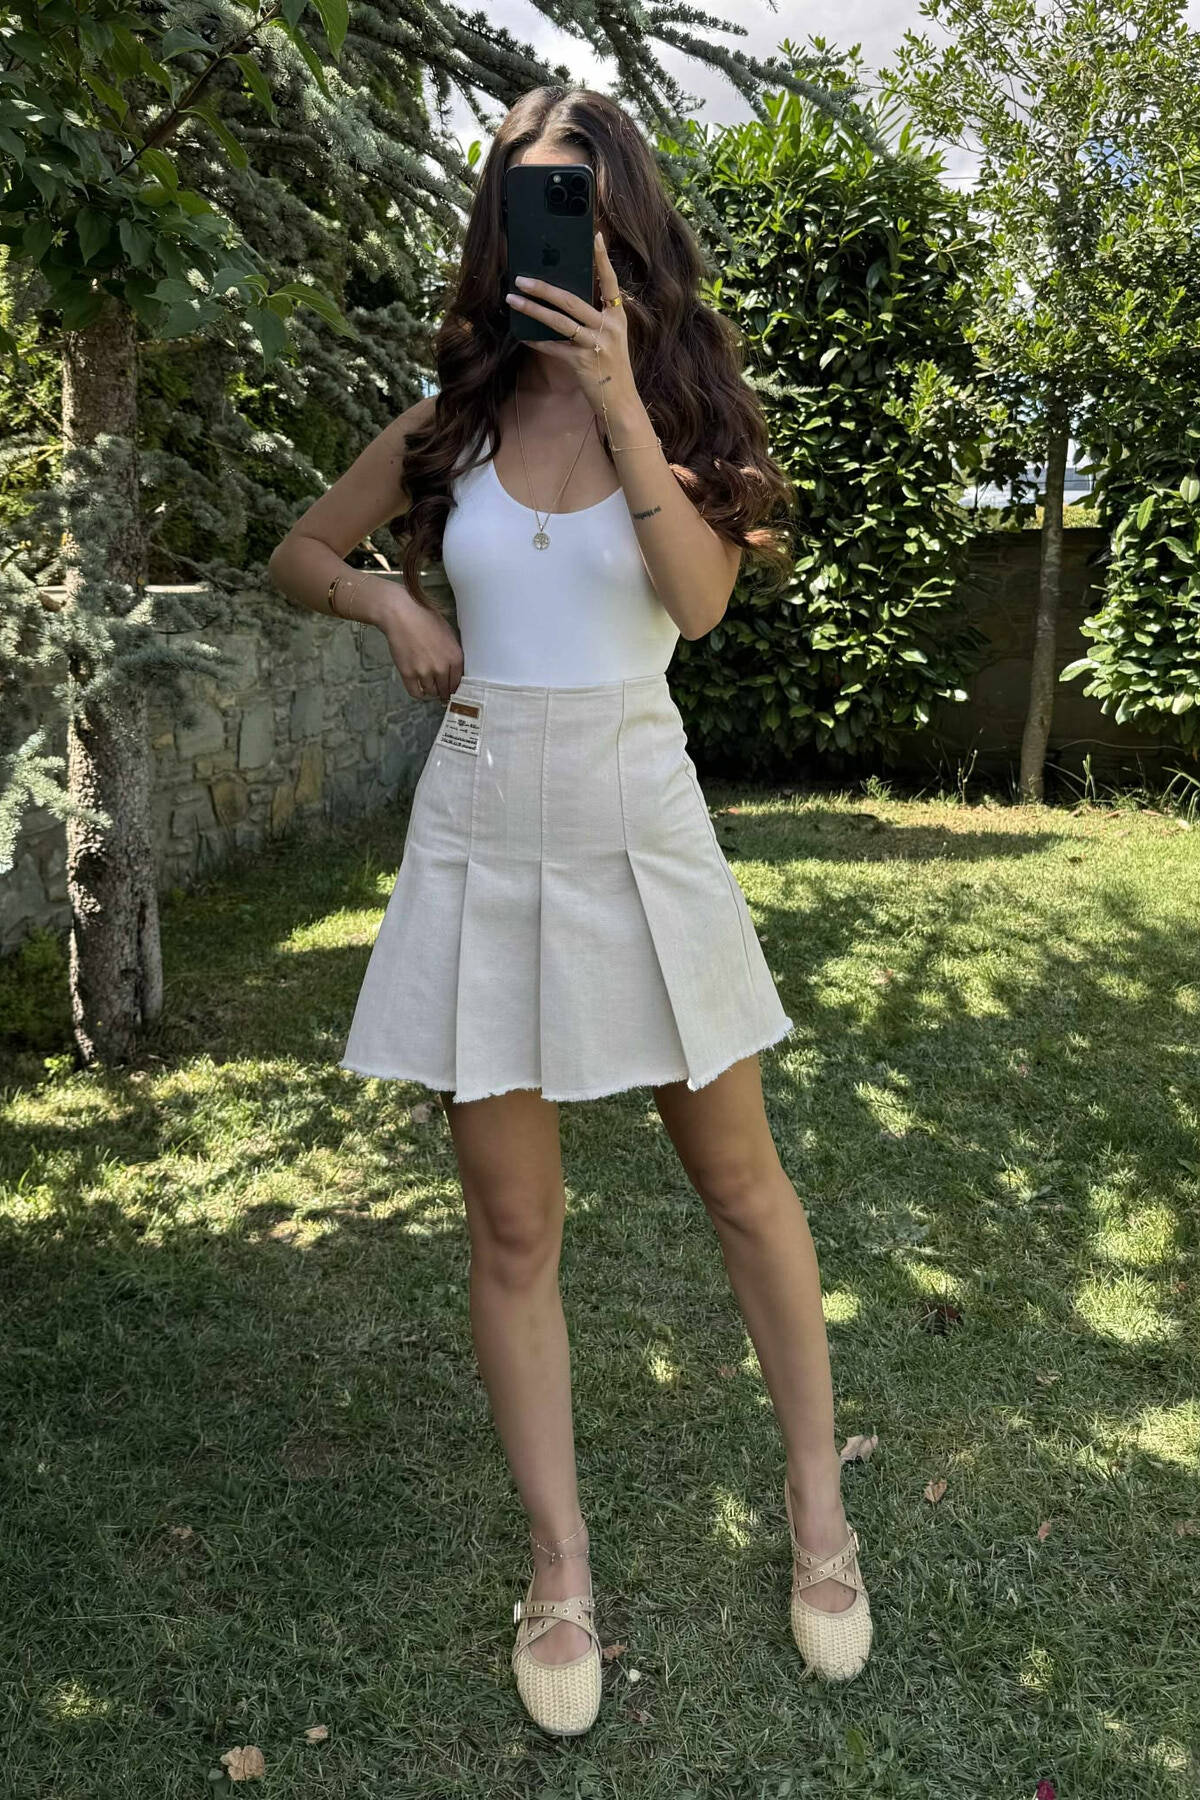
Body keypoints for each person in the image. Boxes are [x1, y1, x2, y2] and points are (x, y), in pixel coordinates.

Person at [267, 84, 872, 1739]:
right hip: (480, 821)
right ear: (498, 229)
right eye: (529, 204)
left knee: (741, 1185)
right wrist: (387, 599)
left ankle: (820, 1515)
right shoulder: (444, 425)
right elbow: (298, 552)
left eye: (583, 205)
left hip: (637, 816)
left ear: (628, 225)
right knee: (514, 1227)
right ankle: (559, 1565)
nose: (557, 235)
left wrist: (614, 393)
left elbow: (698, 603)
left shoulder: (684, 413)